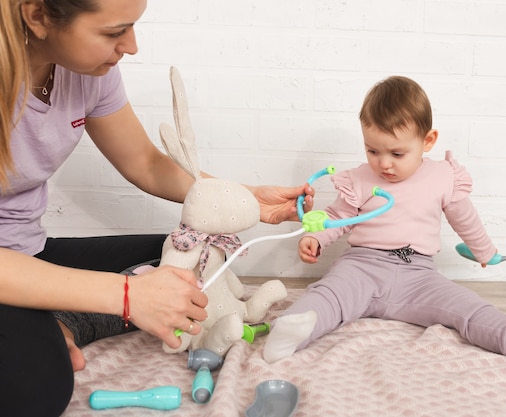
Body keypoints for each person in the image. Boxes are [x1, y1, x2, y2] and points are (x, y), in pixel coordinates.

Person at [0, 1, 313, 416]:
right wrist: (127, 295)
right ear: (38, 16)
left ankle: (57, 321)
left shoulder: (90, 75)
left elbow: (144, 162)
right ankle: (45, 323)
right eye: (115, 32)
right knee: (36, 392)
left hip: (27, 252)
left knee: (192, 259)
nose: (131, 45)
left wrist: (241, 198)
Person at [262, 75, 506, 367]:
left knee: (465, 306)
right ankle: (288, 335)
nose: (383, 163)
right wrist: (314, 238)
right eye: (372, 150)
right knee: (328, 295)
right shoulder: (358, 179)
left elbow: (466, 219)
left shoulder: (443, 176)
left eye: (397, 153)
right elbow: (337, 218)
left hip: (417, 274)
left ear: (428, 140)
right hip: (361, 266)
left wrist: (485, 251)